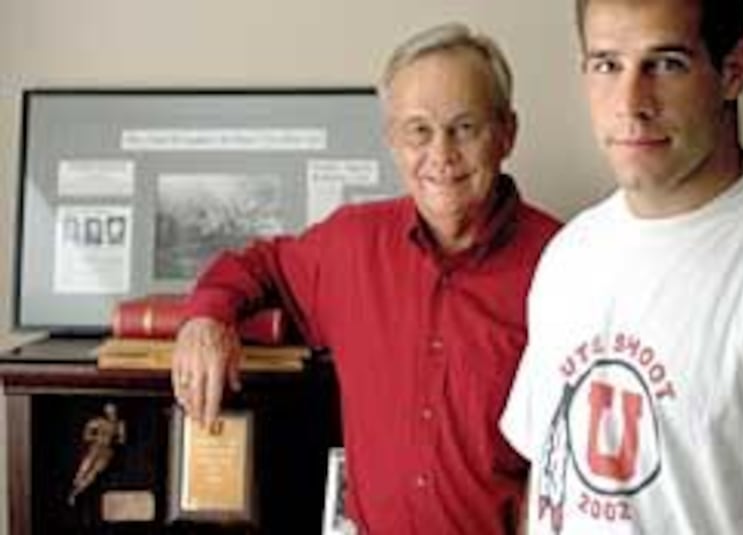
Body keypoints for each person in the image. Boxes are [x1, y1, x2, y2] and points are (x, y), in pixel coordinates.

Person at [172, 23, 560, 534]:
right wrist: (206, 319)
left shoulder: (566, 263)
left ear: (507, 133)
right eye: (418, 130)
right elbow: (255, 265)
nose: (441, 155)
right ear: (393, 142)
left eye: (465, 127)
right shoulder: (349, 246)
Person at [501, 0, 743, 533]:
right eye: (607, 65)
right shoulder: (569, 256)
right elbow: (549, 484)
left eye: (665, 64)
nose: (631, 103)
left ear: (734, 72)